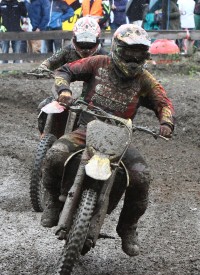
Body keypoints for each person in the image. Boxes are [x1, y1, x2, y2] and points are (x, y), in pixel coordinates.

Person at [40, 24, 175, 257]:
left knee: (141, 178)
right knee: (54, 155)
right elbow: (64, 70)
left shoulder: (145, 80)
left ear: (145, 54)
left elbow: (164, 103)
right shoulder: (97, 63)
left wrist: (166, 123)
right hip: (86, 129)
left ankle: (128, 228)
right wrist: (64, 91)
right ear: (118, 48)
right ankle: (53, 201)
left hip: (121, 136)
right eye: (129, 52)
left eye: (139, 53)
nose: (133, 58)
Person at [30, 16, 108, 134]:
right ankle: (44, 136)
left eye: (89, 42)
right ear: (74, 38)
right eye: (82, 41)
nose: (85, 46)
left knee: (103, 118)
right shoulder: (68, 51)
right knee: (43, 105)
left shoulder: (105, 57)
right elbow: (52, 61)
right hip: (65, 89)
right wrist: (42, 68)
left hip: (92, 96)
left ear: (97, 39)